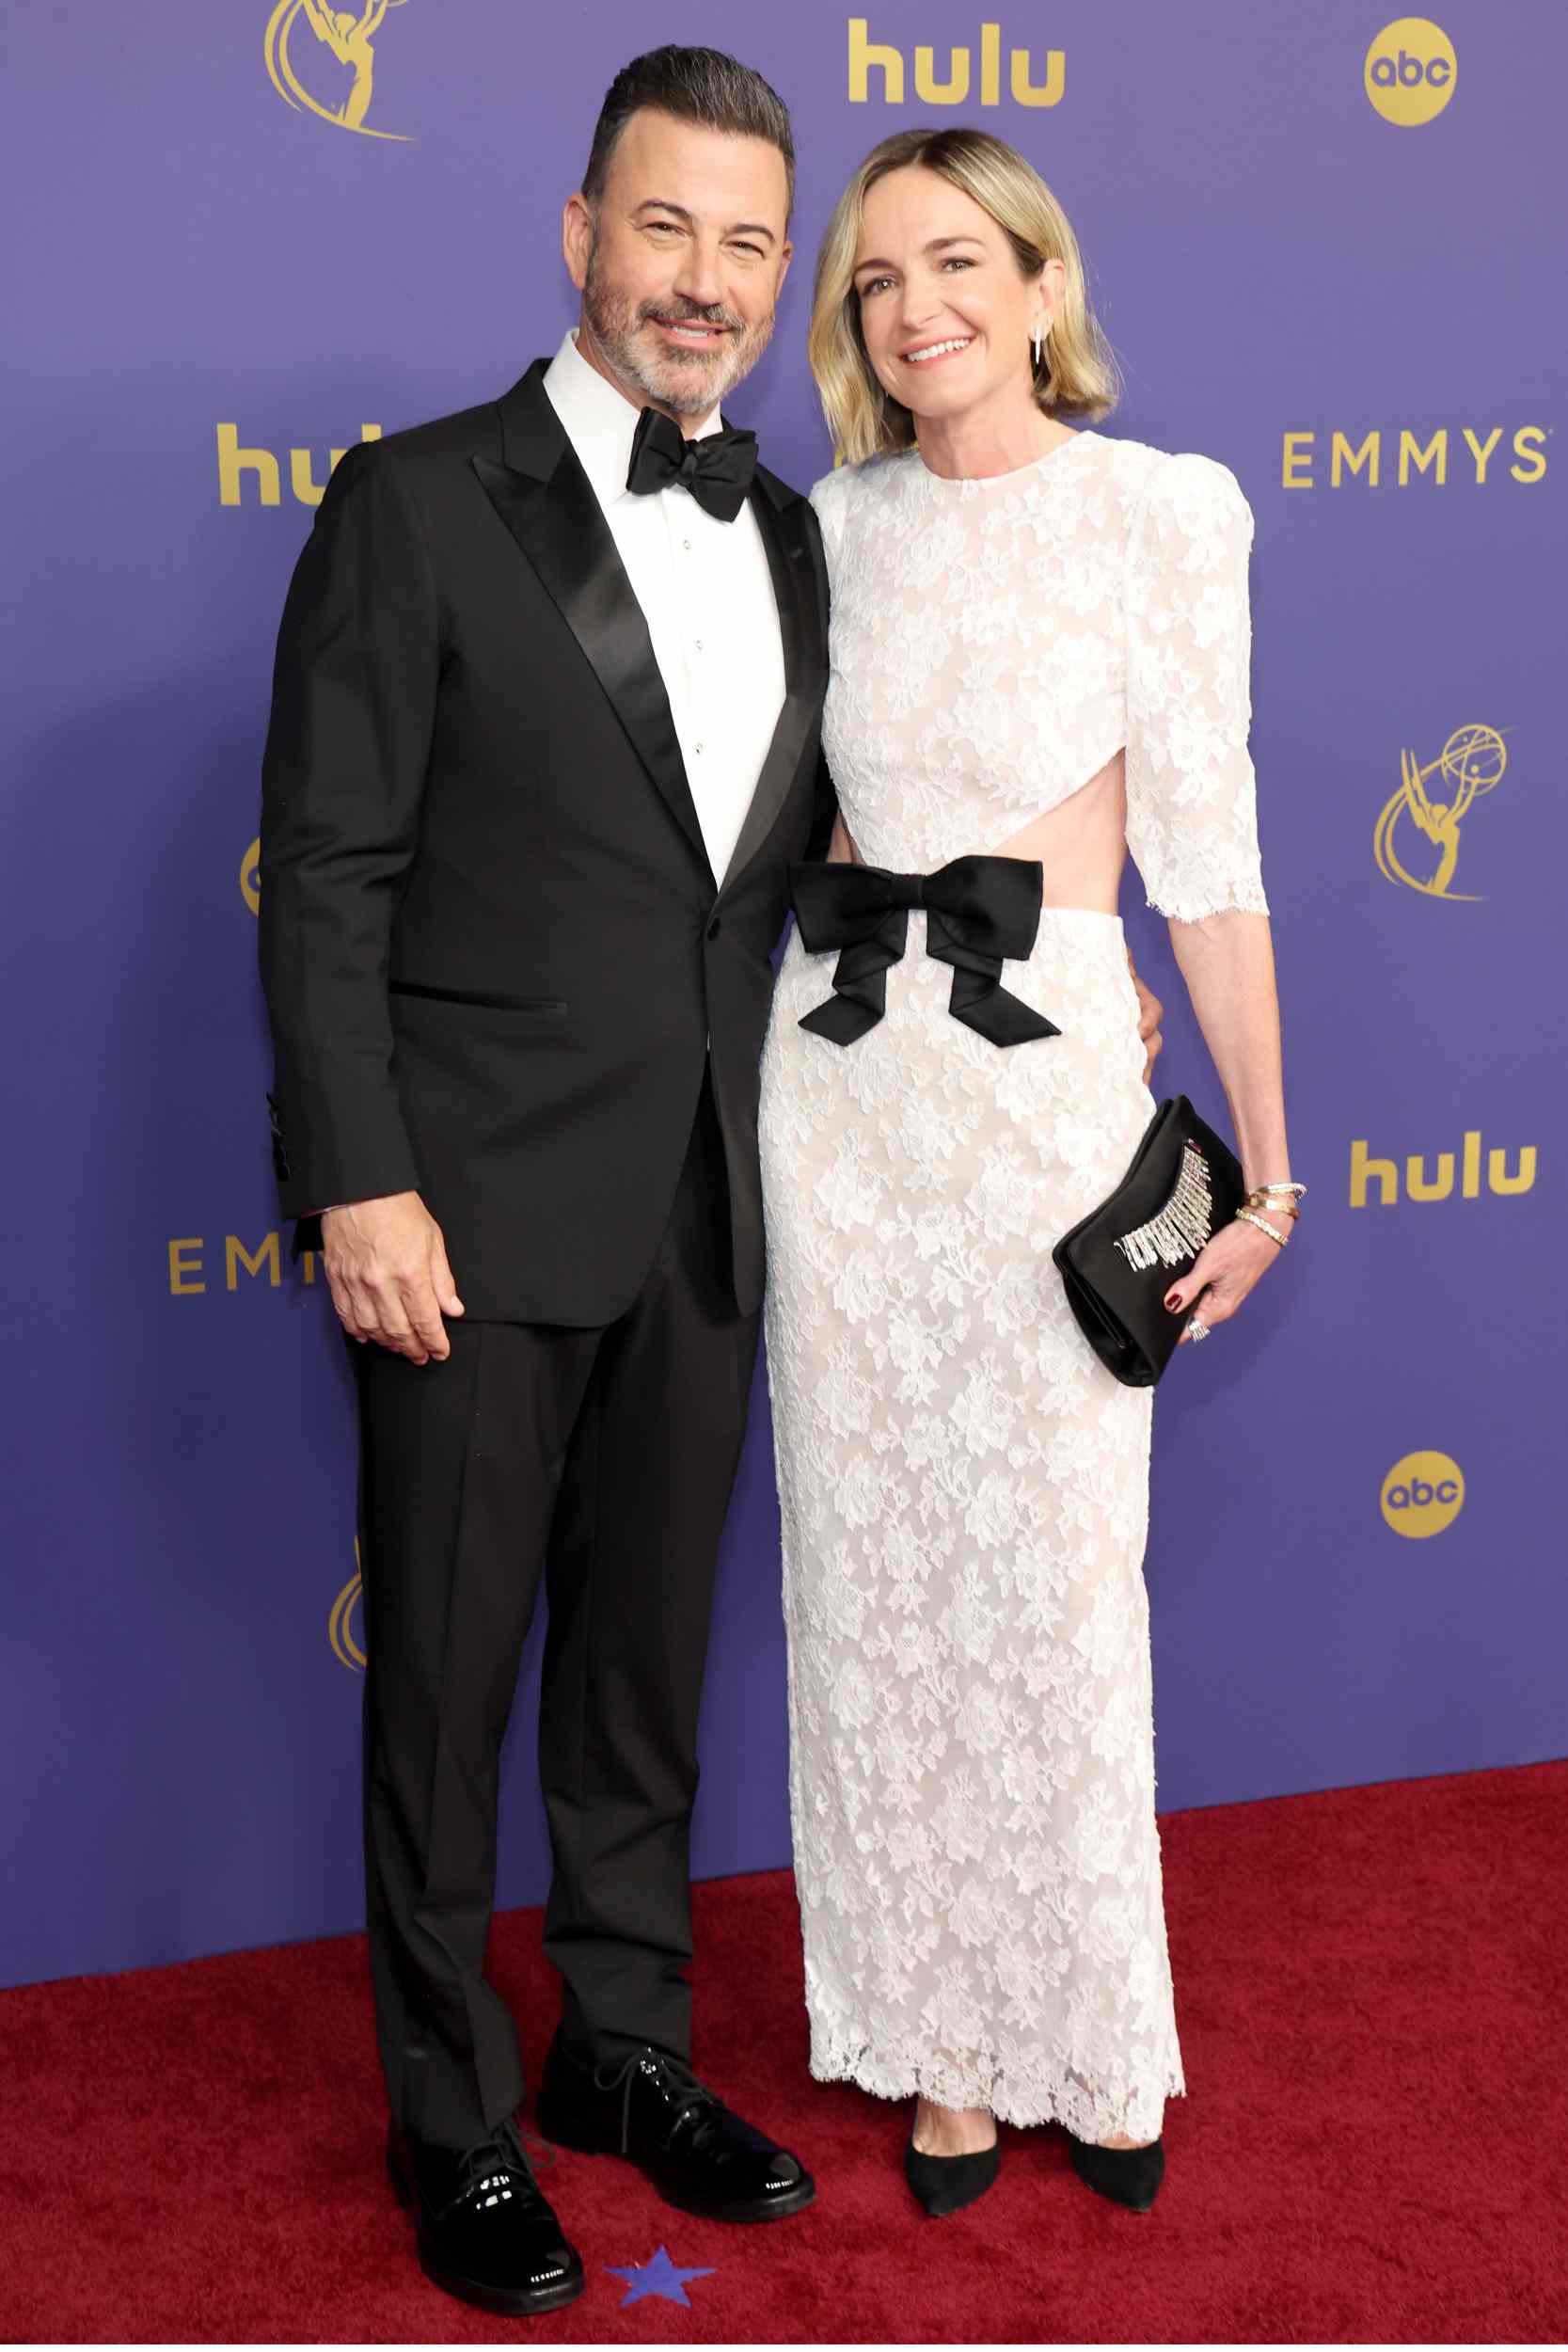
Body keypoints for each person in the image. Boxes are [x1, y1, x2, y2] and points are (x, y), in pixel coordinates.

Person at [259, 47, 834, 2318]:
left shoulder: (787, 528)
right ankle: (452, 2112)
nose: (706, 284)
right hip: (468, 1213)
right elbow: (326, 874)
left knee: (642, 1677)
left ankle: (619, 2046)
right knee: (446, 1691)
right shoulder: (415, 503)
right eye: (667, 228)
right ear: (579, 232)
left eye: (749, 244)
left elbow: (786, 872)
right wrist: (360, 1182)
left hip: (707, 1194)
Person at [758, 126, 1297, 2221]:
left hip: (1046, 1094)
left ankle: (1095, 2030)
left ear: (1045, 283)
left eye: (959, 261)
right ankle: (946, 2051)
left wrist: (1276, 1175)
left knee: (1065, 1600)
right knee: (875, 1600)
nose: (918, 309)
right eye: (879, 276)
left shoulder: (1160, 512)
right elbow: (789, 837)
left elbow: (1218, 863)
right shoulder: (830, 526)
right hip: (845, 1113)